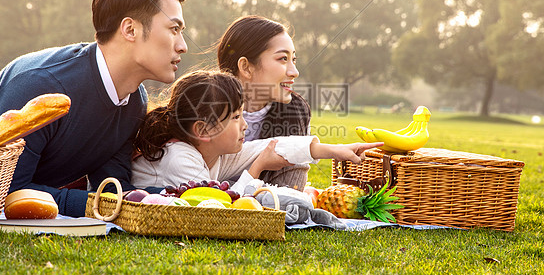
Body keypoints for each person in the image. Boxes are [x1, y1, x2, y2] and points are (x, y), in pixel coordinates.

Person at [0, 0, 189, 217]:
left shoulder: (134, 100)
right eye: (174, 29)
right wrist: (96, 205)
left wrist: (170, 196)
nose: (182, 45)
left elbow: (110, 187)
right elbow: (6, 193)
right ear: (130, 30)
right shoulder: (41, 84)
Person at [131, 70, 380, 192]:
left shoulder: (212, 151)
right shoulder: (179, 158)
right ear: (203, 129)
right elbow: (218, 208)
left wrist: (335, 150)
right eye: (237, 117)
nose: (245, 125)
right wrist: (257, 168)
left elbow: (269, 146)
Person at [216, 15, 311, 189]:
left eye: (294, 59)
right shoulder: (204, 109)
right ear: (246, 67)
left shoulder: (295, 112)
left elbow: (288, 198)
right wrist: (258, 167)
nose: (294, 71)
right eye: (283, 58)